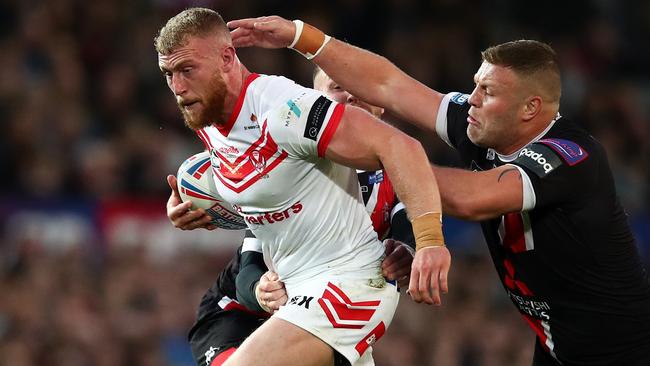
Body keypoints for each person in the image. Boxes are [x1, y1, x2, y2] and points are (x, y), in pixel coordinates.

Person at [227, 16, 650, 366]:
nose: (473, 100)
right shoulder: (482, 126)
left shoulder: (571, 155)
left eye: (488, 92)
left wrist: (386, 157)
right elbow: (391, 85)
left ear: (530, 109)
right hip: (556, 343)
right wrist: (304, 37)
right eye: (476, 85)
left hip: (622, 350)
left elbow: (471, 197)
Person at [157, 8, 451, 366]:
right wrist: (202, 209)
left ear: (227, 58)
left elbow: (402, 148)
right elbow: (277, 191)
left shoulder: (283, 110)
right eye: (168, 74)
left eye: (187, 70)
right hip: (298, 289)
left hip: (347, 286)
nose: (178, 86)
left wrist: (429, 241)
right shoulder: (209, 114)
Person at [184, 66, 416, 366]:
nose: (348, 95)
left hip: (318, 299)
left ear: (379, 102)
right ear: (313, 102)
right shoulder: (289, 163)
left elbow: (411, 226)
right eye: (335, 87)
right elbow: (247, 267)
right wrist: (259, 290)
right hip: (239, 314)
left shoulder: (397, 174)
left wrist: (409, 251)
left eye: (357, 86)